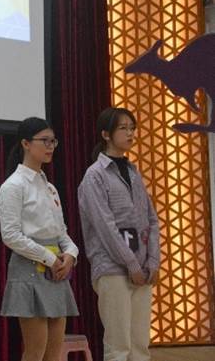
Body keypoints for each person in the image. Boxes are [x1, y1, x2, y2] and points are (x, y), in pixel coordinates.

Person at [78, 107, 160, 361]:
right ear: (106, 134)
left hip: (142, 269)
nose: (130, 133)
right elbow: (105, 227)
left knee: (140, 346)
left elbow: (151, 220)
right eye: (123, 128)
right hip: (113, 269)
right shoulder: (95, 175)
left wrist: (153, 261)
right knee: (118, 346)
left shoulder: (134, 172)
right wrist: (131, 263)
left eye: (132, 128)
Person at [0, 117, 79, 361]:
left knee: (54, 353)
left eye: (53, 141)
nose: (50, 146)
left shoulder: (50, 187)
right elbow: (10, 235)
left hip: (56, 271)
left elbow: (61, 232)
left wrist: (71, 254)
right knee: (35, 351)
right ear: (25, 143)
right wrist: (49, 258)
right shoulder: (13, 186)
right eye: (44, 141)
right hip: (29, 269)